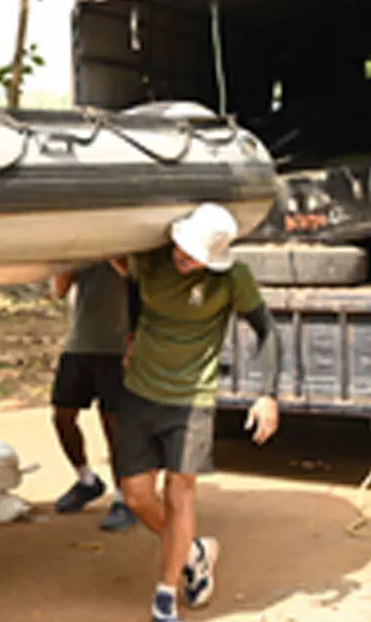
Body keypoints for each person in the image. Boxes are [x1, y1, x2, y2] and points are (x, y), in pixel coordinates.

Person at [110, 203, 281, 622]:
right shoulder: (151, 259)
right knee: (135, 496)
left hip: (192, 398)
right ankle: (194, 551)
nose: (183, 261)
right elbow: (133, 286)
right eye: (182, 252)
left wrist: (267, 395)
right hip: (140, 391)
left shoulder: (233, 277)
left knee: (180, 492)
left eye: (194, 258)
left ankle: (166, 593)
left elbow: (266, 329)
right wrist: (132, 334)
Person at [48, 262, 137, 531]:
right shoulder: (83, 254)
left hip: (119, 348)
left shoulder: (129, 251)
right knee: (62, 416)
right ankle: (86, 480)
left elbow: (137, 279)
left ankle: (125, 498)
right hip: (79, 346)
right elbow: (59, 290)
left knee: (114, 425)